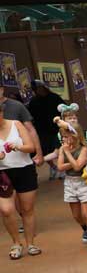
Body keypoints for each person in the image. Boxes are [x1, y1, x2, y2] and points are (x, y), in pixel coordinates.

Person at [0, 103, 40, 259]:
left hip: (24, 169)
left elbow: (31, 147)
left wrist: (19, 146)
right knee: (6, 210)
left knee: (26, 209)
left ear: (2, 113)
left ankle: (30, 243)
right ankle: (16, 243)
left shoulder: (16, 124)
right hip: (2, 173)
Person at [54, 117, 87, 251]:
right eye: (63, 137)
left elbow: (78, 167)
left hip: (83, 182)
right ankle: (85, 229)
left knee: (86, 213)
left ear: (75, 135)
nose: (65, 140)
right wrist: (75, 162)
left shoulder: (84, 148)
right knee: (76, 215)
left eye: (67, 136)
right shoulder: (63, 149)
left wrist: (71, 156)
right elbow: (60, 167)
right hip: (70, 182)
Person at [26, 80, 66, 180]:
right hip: (42, 131)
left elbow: (64, 109)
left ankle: (62, 169)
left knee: (59, 150)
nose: (37, 91)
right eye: (35, 89)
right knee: (45, 151)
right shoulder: (34, 101)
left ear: (43, 87)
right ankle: (53, 167)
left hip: (56, 129)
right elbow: (30, 116)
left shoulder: (54, 97)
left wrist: (64, 123)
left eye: (38, 88)